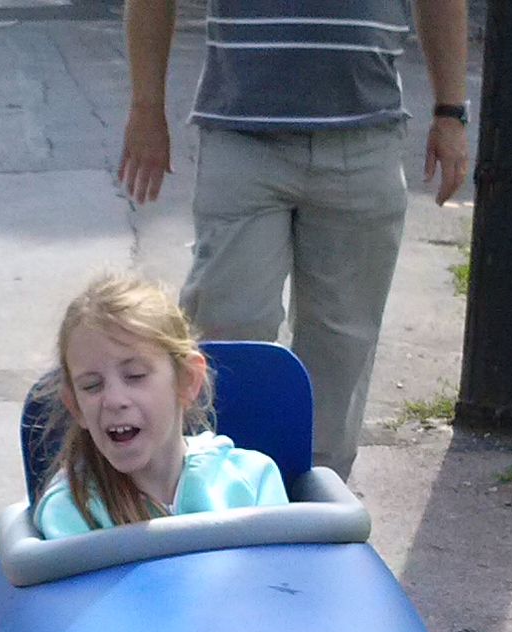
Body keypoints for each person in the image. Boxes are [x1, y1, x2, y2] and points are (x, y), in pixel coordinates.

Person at [118, 0, 470, 481]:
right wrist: (145, 108)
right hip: (242, 138)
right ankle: (217, 488)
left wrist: (451, 112)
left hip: (365, 136)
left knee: (341, 344)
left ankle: (314, 501)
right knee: (227, 327)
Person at [33, 273, 292, 539]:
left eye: (135, 376)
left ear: (187, 381)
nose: (113, 400)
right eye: (91, 386)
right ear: (75, 406)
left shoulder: (251, 480)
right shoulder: (70, 512)